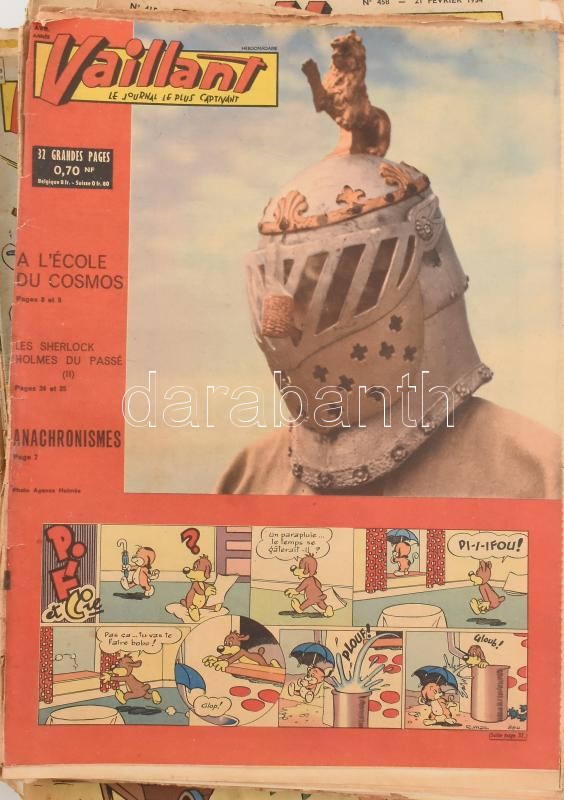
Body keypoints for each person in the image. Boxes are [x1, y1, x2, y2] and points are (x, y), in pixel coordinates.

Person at [217, 32, 560, 499]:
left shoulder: (536, 472)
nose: (287, 325)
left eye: (345, 279)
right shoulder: (251, 477)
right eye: (301, 288)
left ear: (429, 271)